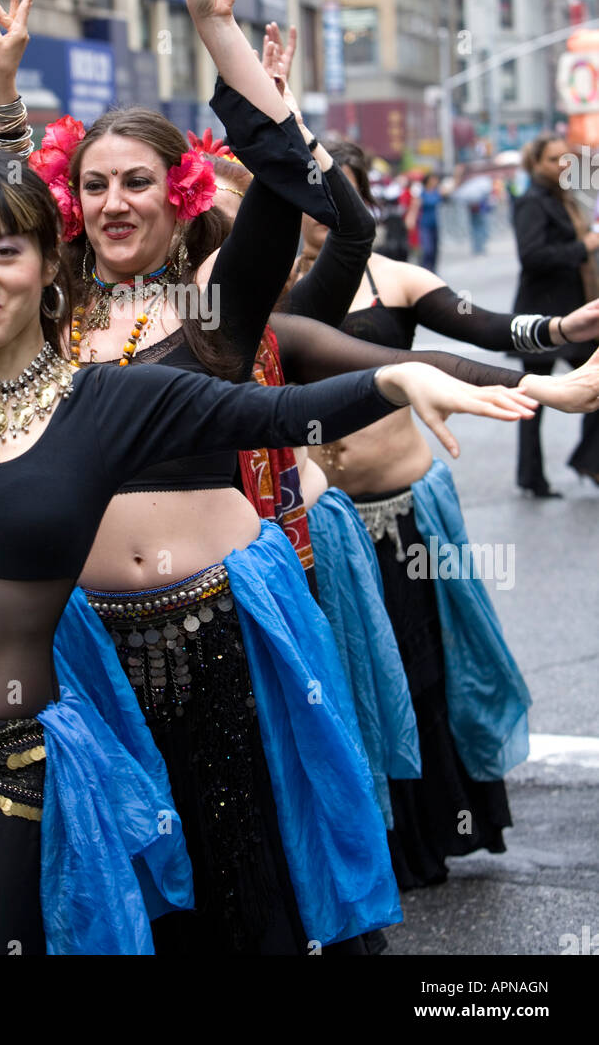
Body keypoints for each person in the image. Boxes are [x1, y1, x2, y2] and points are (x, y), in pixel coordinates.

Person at [0, 0, 544, 958]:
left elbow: (293, 344)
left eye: (137, 182)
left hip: (199, 639)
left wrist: (216, 34)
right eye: (94, 184)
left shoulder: (188, 332)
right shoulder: (7, 346)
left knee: (226, 881)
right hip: (56, 661)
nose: (112, 201)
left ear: (175, 197)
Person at [285, 137, 599, 889]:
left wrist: (560, 332)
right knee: (348, 681)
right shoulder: (266, 296)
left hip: (410, 516)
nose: (328, 217)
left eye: (344, 201)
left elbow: (484, 326)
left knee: (425, 671)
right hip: (324, 530)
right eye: (315, 203)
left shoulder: (396, 280)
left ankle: (432, 834)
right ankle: (372, 848)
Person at [513, 133, 599, 495]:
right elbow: (531, 256)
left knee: (589, 389)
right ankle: (534, 477)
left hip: (573, 314)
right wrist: (583, 247)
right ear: (536, 164)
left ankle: (587, 461)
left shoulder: (565, 197)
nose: (563, 165)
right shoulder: (533, 200)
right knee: (532, 400)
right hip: (543, 319)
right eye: (553, 160)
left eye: (566, 159)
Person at [418, 172, 442, 272]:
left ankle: (433, 270)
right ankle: (425, 268)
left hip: (435, 224)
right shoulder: (421, 192)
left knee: (435, 250)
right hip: (424, 223)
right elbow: (416, 205)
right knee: (428, 249)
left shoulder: (437, 192)